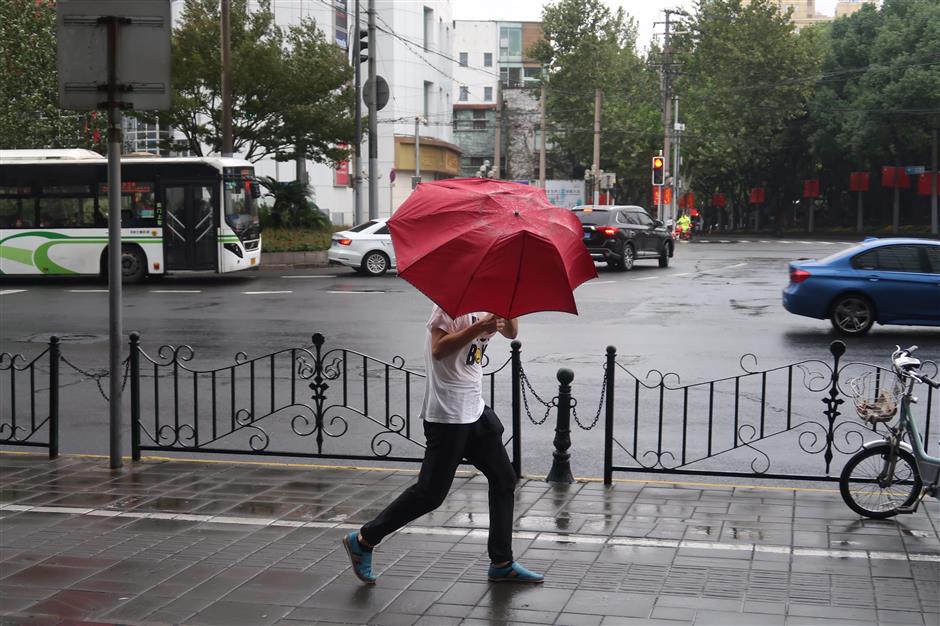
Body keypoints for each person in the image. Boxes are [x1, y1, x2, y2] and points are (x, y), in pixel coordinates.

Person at [342, 307, 545, 585]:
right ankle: (364, 539)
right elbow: (438, 349)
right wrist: (477, 327)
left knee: (504, 480)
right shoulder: (449, 305)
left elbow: (512, 332)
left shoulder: (492, 302)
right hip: (448, 414)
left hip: (474, 409)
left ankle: (501, 562)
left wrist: (508, 311)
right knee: (430, 494)